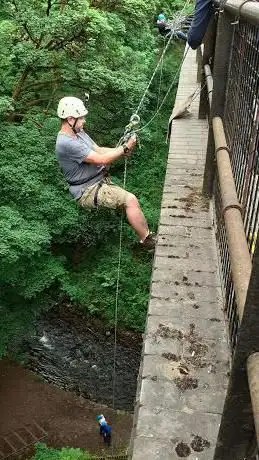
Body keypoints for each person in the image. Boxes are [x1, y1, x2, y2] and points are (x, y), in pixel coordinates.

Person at [55, 96, 156, 250]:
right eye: (81, 118)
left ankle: (147, 237)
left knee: (129, 201)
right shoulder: (66, 143)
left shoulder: (79, 132)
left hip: (96, 181)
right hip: (87, 190)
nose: (84, 121)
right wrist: (124, 148)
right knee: (130, 200)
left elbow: (99, 150)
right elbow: (101, 160)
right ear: (70, 119)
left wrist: (122, 150)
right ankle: (147, 240)